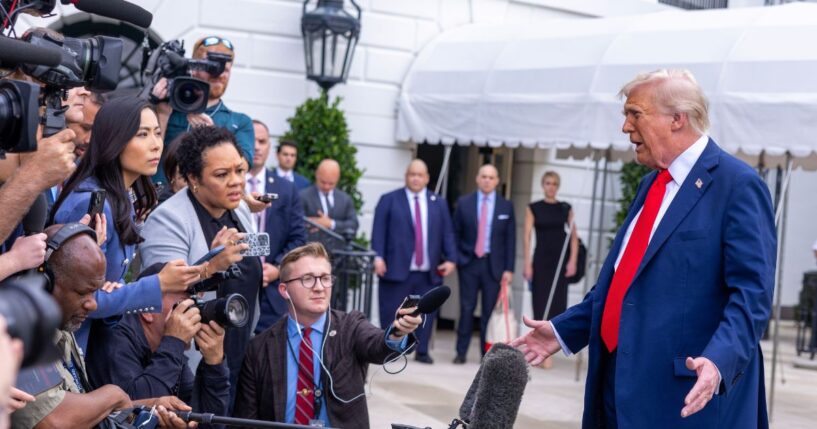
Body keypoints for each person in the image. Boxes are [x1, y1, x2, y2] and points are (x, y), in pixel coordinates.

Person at [511, 69, 776, 428]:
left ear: (677, 120)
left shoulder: (737, 186)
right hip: (617, 388)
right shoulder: (651, 185)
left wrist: (718, 361)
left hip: (686, 398)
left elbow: (752, 295)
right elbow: (623, 286)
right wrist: (562, 331)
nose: (625, 127)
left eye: (635, 114)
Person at [51, 97, 202, 351]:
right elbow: (79, 301)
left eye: (157, 133)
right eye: (142, 135)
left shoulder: (122, 198)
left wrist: (118, 291)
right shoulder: (91, 203)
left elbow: (105, 296)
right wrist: (159, 284)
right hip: (62, 354)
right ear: (114, 140)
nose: (156, 145)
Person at [11, 223, 194, 429]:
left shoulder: (62, 326)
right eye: (82, 293)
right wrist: (113, 395)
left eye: (95, 292)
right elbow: (53, 421)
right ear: (45, 284)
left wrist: (145, 407)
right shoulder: (19, 334)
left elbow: (82, 414)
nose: (93, 304)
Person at [234, 243, 421, 428]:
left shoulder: (350, 327)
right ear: (284, 290)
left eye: (325, 278)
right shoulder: (259, 348)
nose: (319, 287)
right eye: (307, 279)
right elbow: (246, 420)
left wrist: (398, 332)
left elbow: (378, 345)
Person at [140, 125, 260, 405]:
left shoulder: (240, 209)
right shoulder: (168, 219)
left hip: (240, 352)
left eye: (239, 170)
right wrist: (212, 263)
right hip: (193, 360)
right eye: (221, 174)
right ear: (193, 178)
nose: (236, 182)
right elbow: (167, 297)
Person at [85, 289, 230, 418]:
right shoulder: (116, 338)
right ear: (148, 311)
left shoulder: (165, 347)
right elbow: (137, 414)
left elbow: (207, 421)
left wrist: (214, 363)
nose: (194, 314)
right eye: (182, 305)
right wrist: (174, 341)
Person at [371, 159, 457, 364]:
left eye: (420, 175)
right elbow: (378, 231)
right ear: (406, 176)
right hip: (396, 268)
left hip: (428, 270)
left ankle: (422, 350)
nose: (416, 178)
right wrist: (378, 257)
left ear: (427, 178)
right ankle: (389, 348)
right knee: (392, 309)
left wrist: (452, 258)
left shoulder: (439, 202)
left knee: (426, 313)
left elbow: (447, 233)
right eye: (412, 174)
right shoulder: (389, 200)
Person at [156, 35, 254, 184]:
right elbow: (147, 152)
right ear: (194, 68)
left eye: (225, 69)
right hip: (159, 197)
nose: (219, 74)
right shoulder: (168, 108)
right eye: (212, 68)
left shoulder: (240, 122)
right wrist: (162, 113)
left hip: (205, 203)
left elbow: (242, 167)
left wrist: (213, 136)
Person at [245, 119, 307, 332]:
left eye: (262, 141)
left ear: (269, 147)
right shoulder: (227, 186)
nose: (256, 147)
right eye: (251, 140)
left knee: (272, 360)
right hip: (233, 289)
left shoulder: (286, 189)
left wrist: (277, 268)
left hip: (272, 294)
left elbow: (298, 237)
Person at [452, 164, 515, 363]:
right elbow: (455, 234)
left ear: (497, 181)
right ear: (477, 179)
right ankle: (461, 353)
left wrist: (509, 268)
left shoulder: (506, 206)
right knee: (467, 308)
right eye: (484, 176)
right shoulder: (464, 203)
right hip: (469, 264)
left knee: (489, 312)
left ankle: (486, 355)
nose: (487, 180)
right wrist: (459, 259)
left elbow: (510, 240)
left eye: (491, 177)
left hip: (493, 267)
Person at [300, 159, 359, 236]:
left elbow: (354, 224)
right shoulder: (303, 196)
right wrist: (311, 223)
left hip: (337, 247)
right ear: (317, 174)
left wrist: (331, 224)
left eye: (331, 183)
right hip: (311, 246)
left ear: (338, 178)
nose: (326, 187)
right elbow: (296, 223)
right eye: (323, 182)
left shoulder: (345, 199)